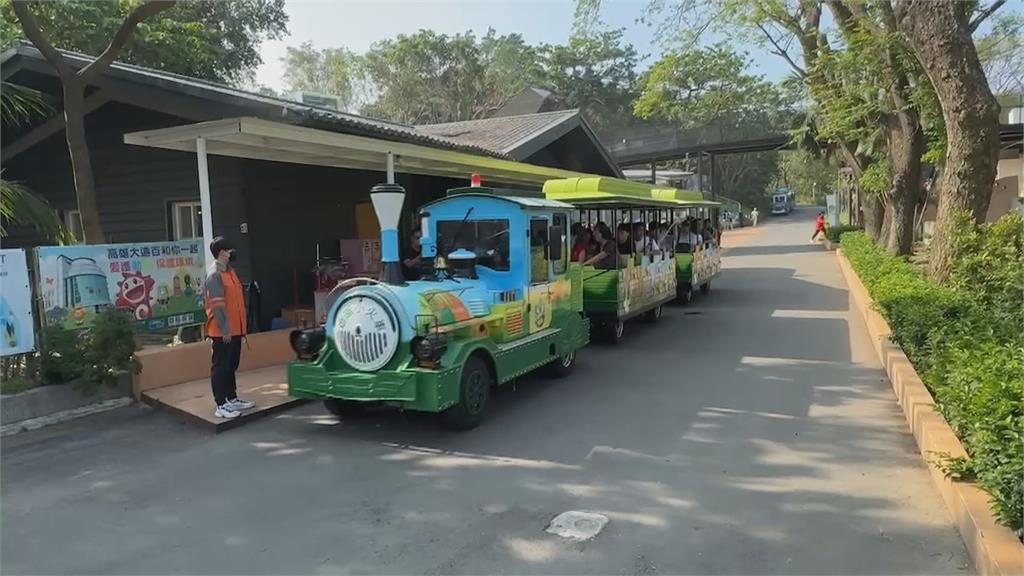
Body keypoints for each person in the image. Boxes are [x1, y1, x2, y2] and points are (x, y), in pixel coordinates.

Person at [205, 237, 254, 420]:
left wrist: (240, 329)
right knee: (220, 367)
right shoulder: (214, 275)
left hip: (235, 329)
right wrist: (225, 329)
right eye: (229, 249)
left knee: (231, 365)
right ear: (222, 252)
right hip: (221, 331)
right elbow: (218, 305)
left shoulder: (229, 271)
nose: (232, 252)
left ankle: (231, 398)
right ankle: (221, 404)